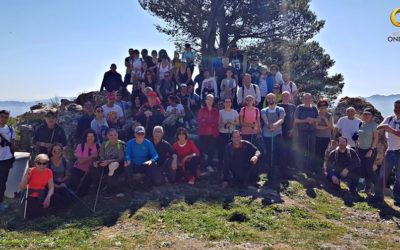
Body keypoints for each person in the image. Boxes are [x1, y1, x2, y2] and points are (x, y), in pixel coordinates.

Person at [375, 100, 400, 203]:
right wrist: (384, 128)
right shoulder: (389, 118)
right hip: (390, 151)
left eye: (399, 107)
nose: (397, 109)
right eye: (396, 107)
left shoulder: (389, 123)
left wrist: (389, 129)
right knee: (383, 175)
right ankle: (378, 196)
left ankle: (397, 198)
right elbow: (378, 127)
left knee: (399, 177)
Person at [19, 154, 54, 220]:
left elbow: (51, 187)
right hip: (31, 195)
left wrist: (48, 197)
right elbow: (21, 187)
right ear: (35, 163)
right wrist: (26, 176)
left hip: (42, 194)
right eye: (39, 163)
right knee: (33, 214)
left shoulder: (49, 172)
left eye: (44, 163)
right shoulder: (30, 171)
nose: (41, 165)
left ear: (47, 163)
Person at [261, 93, 285, 184]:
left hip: (277, 134)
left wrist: (275, 125)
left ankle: (278, 172)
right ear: (267, 100)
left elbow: (281, 119)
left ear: (275, 99)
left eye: (272, 98)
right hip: (267, 134)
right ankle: (270, 172)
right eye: (269, 98)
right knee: (269, 152)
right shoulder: (264, 110)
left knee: (278, 152)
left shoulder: (280, 109)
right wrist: (268, 125)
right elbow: (265, 119)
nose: (271, 99)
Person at [69, 129, 99, 197]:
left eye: (92, 136)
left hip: (91, 171)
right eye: (88, 136)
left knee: (84, 189)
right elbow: (80, 161)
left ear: (95, 137)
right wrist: (92, 156)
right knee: (74, 183)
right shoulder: (80, 146)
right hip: (78, 168)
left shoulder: (98, 146)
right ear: (85, 137)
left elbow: (99, 159)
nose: (90, 138)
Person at [96, 128, 126, 196]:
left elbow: (121, 158)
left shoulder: (121, 144)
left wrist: (109, 161)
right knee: (95, 167)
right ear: (107, 136)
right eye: (111, 135)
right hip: (106, 163)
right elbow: (102, 156)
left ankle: (111, 190)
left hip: (118, 164)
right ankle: (99, 187)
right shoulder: (104, 144)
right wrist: (101, 161)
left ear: (117, 135)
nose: (113, 137)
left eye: (115, 135)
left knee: (113, 167)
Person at [294, 93, 319, 171]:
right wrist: (305, 120)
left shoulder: (314, 108)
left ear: (311, 99)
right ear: (302, 99)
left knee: (311, 150)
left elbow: (318, 119)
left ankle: (310, 167)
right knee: (302, 149)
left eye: (309, 98)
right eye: (305, 98)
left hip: (312, 132)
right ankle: (300, 167)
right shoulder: (299, 108)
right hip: (302, 132)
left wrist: (312, 120)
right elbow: (296, 120)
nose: (307, 100)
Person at [357, 108, 378, 196]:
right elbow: (360, 136)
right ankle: (367, 189)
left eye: (368, 114)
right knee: (364, 170)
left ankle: (378, 189)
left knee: (369, 170)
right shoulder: (361, 123)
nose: (366, 116)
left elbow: (376, 139)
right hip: (361, 150)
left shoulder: (374, 125)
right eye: (365, 114)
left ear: (372, 116)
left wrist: (371, 150)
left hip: (370, 150)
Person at [198, 94, 220, 169]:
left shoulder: (216, 111)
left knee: (212, 150)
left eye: (211, 99)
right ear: (205, 100)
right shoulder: (202, 110)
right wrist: (210, 123)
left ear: (213, 101)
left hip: (213, 134)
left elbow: (216, 122)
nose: (209, 101)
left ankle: (209, 165)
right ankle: (202, 166)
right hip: (203, 133)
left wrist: (206, 122)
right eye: (208, 99)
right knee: (202, 149)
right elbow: (201, 121)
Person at [278, 92, 297, 176]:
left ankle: (288, 166)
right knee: (280, 149)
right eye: (284, 96)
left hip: (289, 131)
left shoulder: (293, 107)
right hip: (279, 131)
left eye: (287, 96)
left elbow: (295, 119)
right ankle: (280, 167)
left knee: (289, 149)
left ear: (290, 97)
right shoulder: (277, 106)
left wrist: (293, 129)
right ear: (281, 97)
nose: (285, 97)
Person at [0, 110, 15, 212]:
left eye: (6, 117)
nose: (4, 119)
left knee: (2, 182)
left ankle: (0, 203)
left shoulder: (11, 129)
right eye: (2, 116)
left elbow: (13, 144)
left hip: (6, 159)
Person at [48, 143, 71, 208]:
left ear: (62, 151)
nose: (57, 152)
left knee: (67, 195)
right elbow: (46, 178)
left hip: (62, 182)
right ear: (51, 151)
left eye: (59, 150)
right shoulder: (47, 163)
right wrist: (56, 186)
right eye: (55, 151)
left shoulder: (65, 162)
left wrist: (62, 181)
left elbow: (67, 175)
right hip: (51, 184)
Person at [218, 98, 239, 167]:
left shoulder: (235, 112)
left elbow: (238, 122)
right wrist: (225, 124)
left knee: (231, 149)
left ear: (231, 103)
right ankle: (221, 164)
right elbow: (218, 123)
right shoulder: (220, 112)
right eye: (226, 102)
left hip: (232, 134)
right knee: (222, 149)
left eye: (229, 102)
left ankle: (231, 164)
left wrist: (231, 123)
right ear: (224, 103)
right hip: (222, 133)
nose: (227, 103)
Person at [315, 99, 334, 174]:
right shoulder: (316, 114)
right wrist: (326, 127)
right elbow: (316, 127)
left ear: (327, 106)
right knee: (316, 152)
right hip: (316, 136)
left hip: (326, 137)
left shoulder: (329, 115)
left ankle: (321, 167)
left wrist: (325, 119)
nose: (323, 107)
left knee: (322, 152)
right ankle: (315, 166)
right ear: (319, 107)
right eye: (321, 106)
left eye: (325, 106)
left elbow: (331, 126)